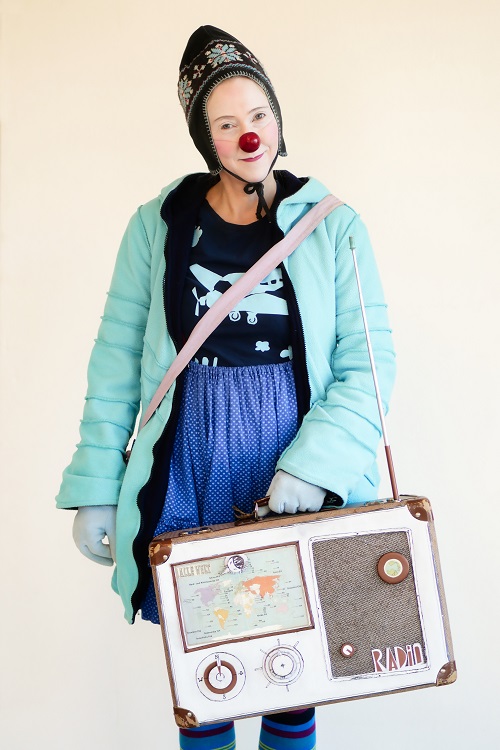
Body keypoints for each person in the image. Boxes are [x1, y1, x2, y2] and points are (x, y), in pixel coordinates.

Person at [57, 25, 396, 750]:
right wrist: (96, 484)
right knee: (206, 679)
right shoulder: (158, 225)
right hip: (188, 462)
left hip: (290, 463)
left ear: (279, 118)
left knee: (294, 677)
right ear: (204, 138)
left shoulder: (335, 227)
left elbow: (370, 364)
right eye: (226, 122)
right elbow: (116, 358)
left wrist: (316, 467)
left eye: (260, 114)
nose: (249, 134)